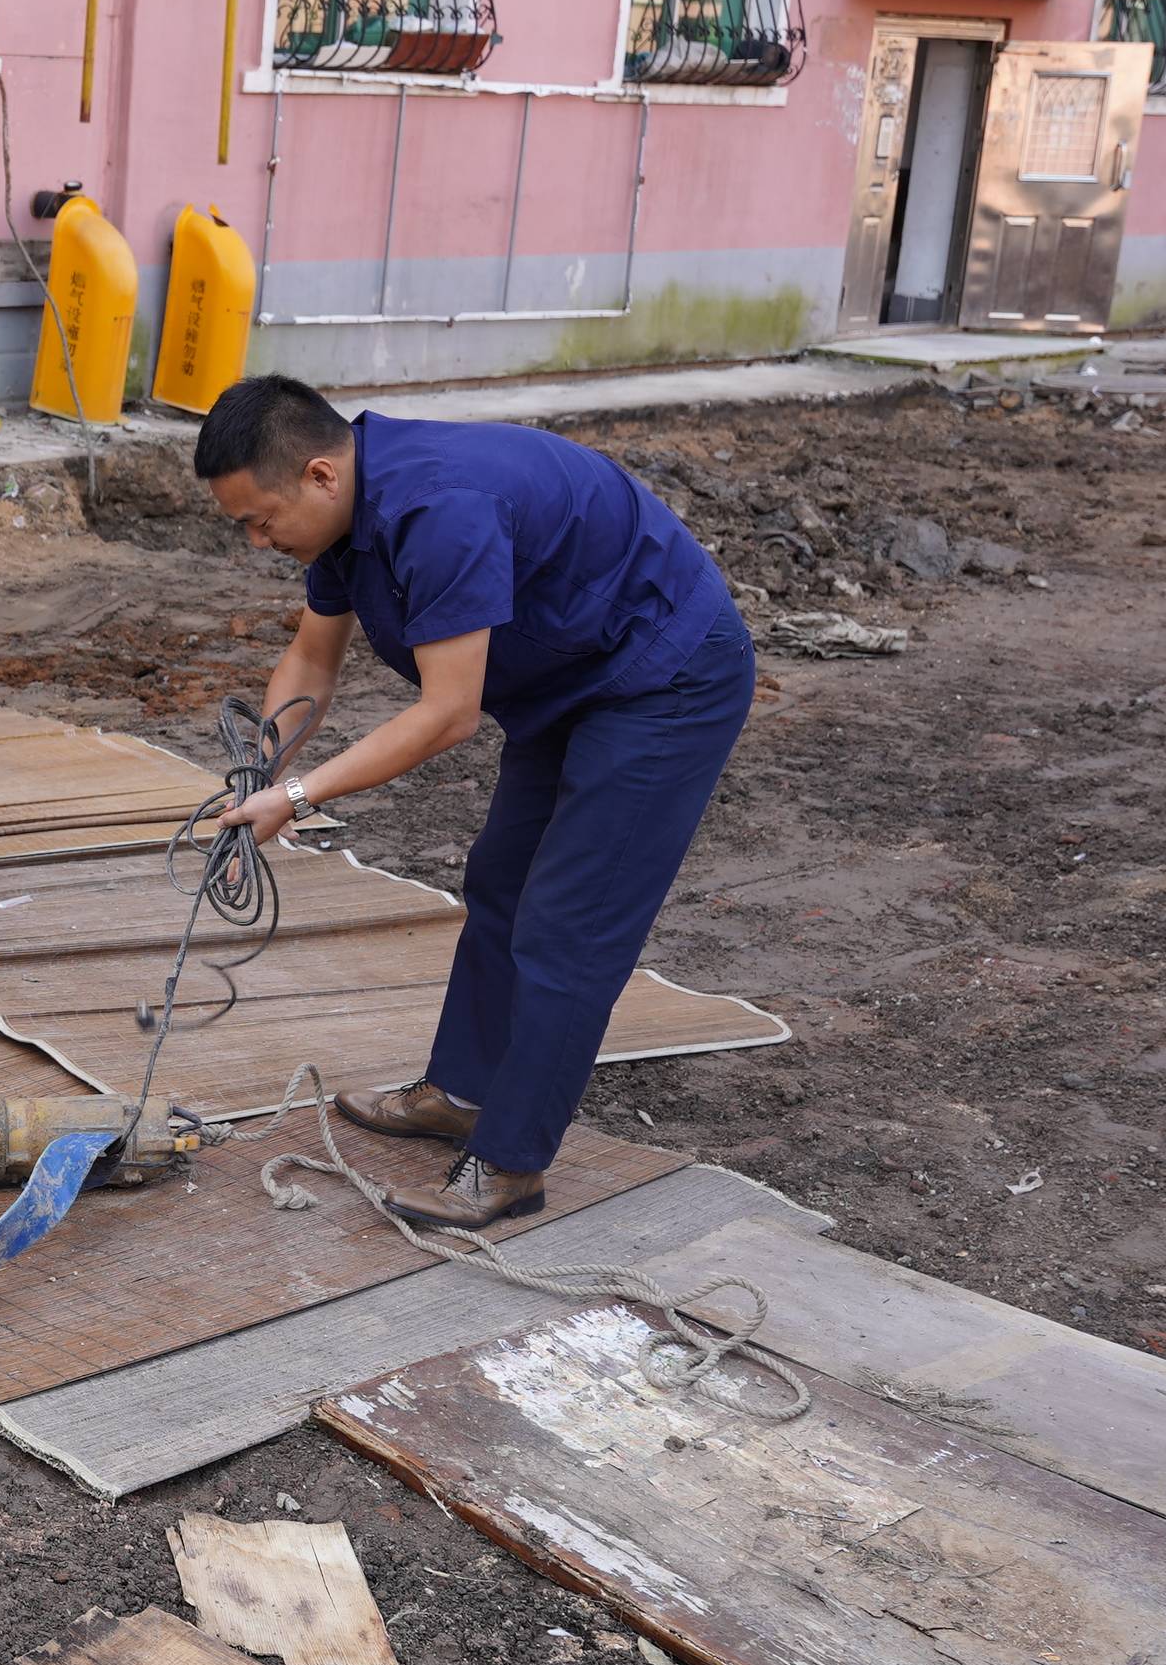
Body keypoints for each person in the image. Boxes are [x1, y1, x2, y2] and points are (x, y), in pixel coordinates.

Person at [192, 374, 754, 1231]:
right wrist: (257, 778)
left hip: (664, 677)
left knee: (570, 921)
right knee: (502, 882)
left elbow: (448, 714)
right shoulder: (346, 517)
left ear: (319, 476)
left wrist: (297, 797)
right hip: (572, 677)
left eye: (259, 521)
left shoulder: (440, 512)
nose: (257, 541)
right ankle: (461, 1093)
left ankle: (511, 1163)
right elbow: (311, 662)